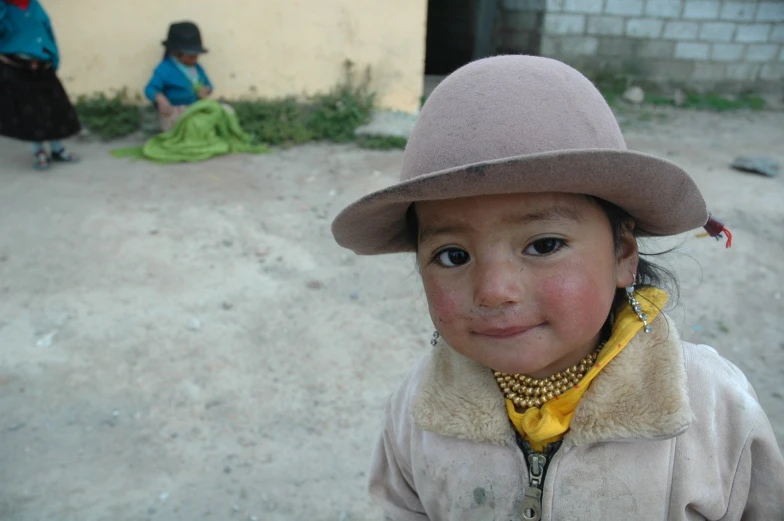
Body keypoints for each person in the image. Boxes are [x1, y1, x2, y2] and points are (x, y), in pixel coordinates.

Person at [330, 56, 784, 520]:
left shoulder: (711, 407)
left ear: (623, 253)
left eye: (544, 245)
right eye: (453, 255)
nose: (494, 291)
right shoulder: (418, 407)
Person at [0, 0, 80, 170]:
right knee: (32, 112)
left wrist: (54, 57)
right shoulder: (5, 8)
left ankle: (58, 149)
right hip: (18, 69)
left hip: (44, 66)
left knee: (55, 108)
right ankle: (39, 152)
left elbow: (47, 30)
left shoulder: (34, 5)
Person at [144, 21, 214, 132]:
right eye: (191, 55)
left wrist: (207, 90)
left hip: (195, 109)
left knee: (223, 111)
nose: (195, 58)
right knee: (188, 123)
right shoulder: (165, 68)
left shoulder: (197, 68)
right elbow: (150, 88)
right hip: (175, 111)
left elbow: (209, 85)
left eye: (196, 55)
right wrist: (160, 99)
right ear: (176, 53)